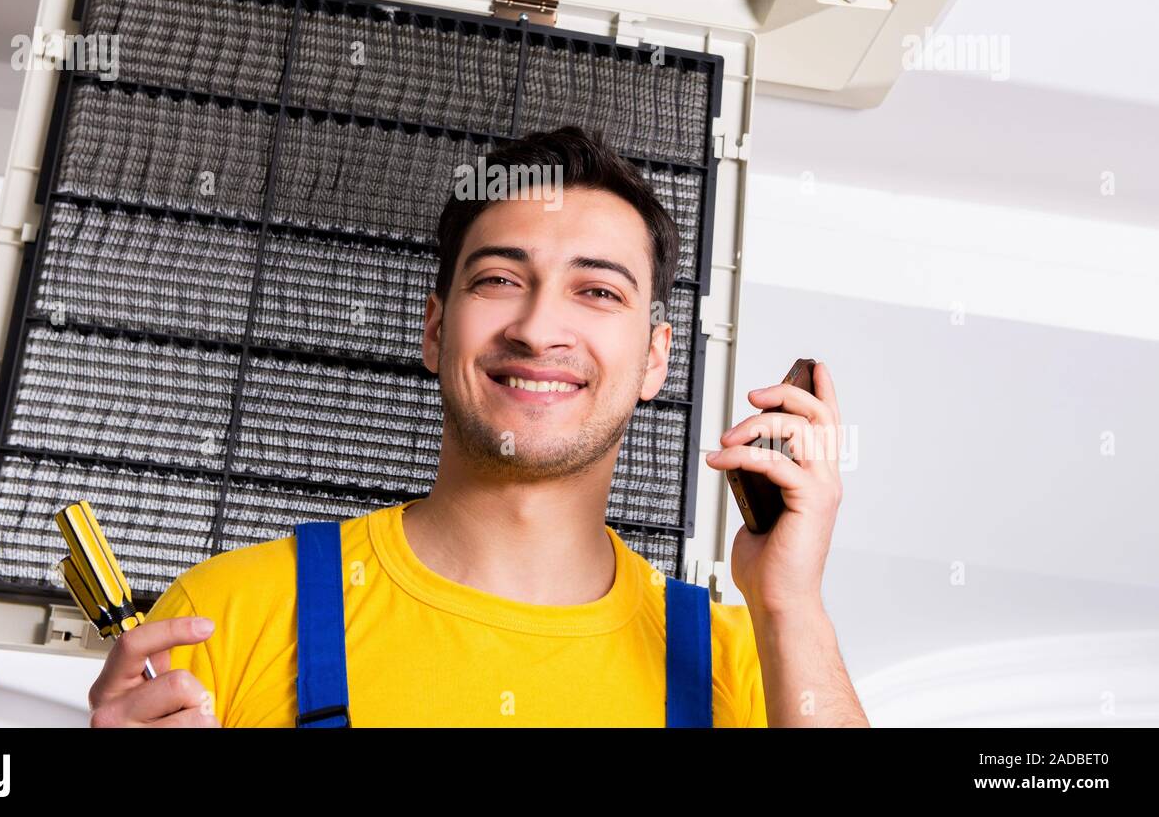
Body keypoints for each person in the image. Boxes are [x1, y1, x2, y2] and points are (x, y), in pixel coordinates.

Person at [87, 125, 867, 727]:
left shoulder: (750, 665)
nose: (538, 328)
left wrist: (790, 602)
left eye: (597, 292)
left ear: (655, 358)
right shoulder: (226, 617)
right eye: (500, 279)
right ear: (436, 330)